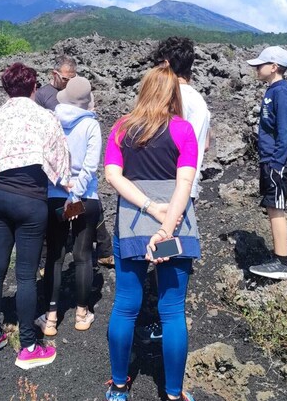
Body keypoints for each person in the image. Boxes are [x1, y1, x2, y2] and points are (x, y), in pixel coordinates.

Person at [104, 66, 199, 401]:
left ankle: (118, 387)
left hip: (131, 224)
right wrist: (166, 227)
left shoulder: (120, 128)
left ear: (143, 91)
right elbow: (185, 184)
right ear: (173, 94)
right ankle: (173, 394)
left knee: (125, 306)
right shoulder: (183, 130)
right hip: (177, 224)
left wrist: (147, 206)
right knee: (172, 311)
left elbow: (113, 176)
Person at [0, 62, 70, 369]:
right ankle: (29, 347)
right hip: (29, 200)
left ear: (6, 88)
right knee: (25, 274)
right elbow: (61, 164)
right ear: (34, 87)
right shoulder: (46, 116)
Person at [137, 36, 211, 343]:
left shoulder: (171, 98)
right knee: (171, 257)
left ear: (166, 65)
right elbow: (203, 144)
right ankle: (165, 320)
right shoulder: (201, 102)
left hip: (166, 191)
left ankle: (161, 323)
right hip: (186, 190)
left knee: (160, 255)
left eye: (158, 64)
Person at [35, 76, 102, 336]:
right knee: (84, 256)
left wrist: (63, 185)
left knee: (54, 256)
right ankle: (82, 314)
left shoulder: (51, 120)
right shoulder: (91, 125)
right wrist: (77, 189)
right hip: (86, 197)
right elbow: (91, 163)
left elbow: (46, 158)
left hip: (54, 196)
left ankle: (50, 318)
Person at [35, 54, 114, 268]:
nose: (70, 82)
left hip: (78, 165)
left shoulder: (77, 91)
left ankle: (104, 250)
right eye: (66, 79)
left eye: (73, 78)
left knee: (91, 207)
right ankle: (44, 261)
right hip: (57, 169)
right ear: (54, 74)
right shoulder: (42, 95)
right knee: (52, 215)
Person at [246, 46, 287, 281]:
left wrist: (277, 163)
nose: (256, 68)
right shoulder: (274, 91)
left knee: (276, 208)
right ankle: (279, 259)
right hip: (271, 160)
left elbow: (286, 131)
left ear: (274, 67)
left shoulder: (282, 92)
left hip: (277, 162)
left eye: (261, 64)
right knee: (272, 207)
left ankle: (282, 263)